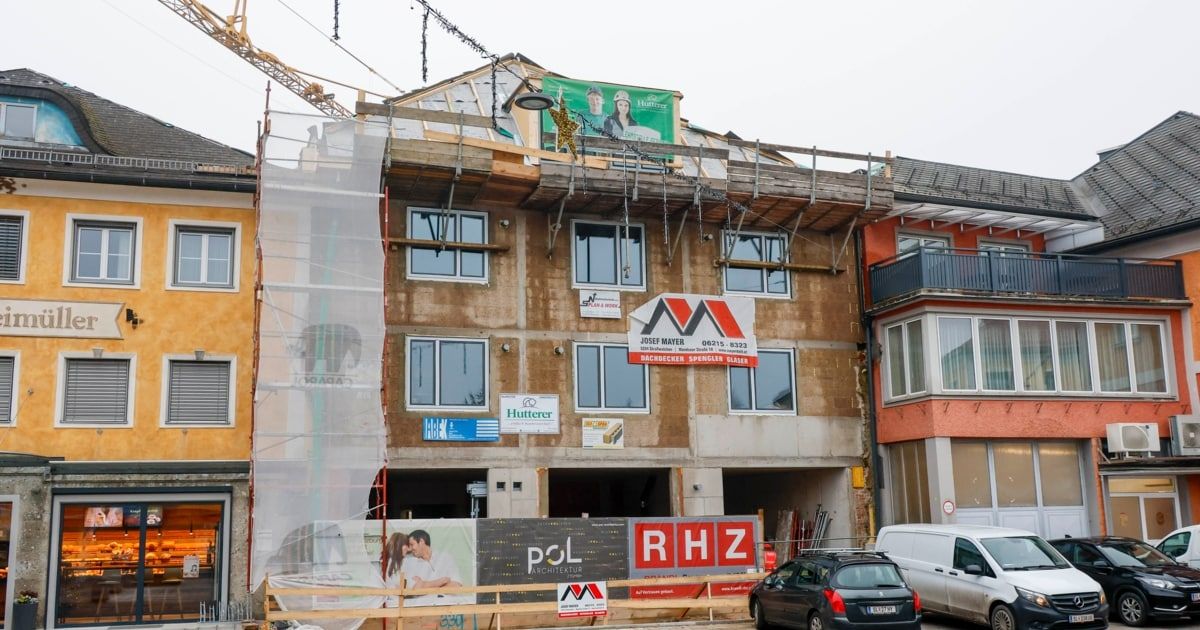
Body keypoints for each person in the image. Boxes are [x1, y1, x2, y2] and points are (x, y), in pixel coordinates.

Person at [403, 529, 470, 605]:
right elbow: (416, 590)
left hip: (448, 606)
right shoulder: (410, 562)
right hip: (424, 608)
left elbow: (456, 586)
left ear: (421, 542)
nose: (410, 549)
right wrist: (442, 581)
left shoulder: (445, 558)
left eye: (412, 544)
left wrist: (425, 586)